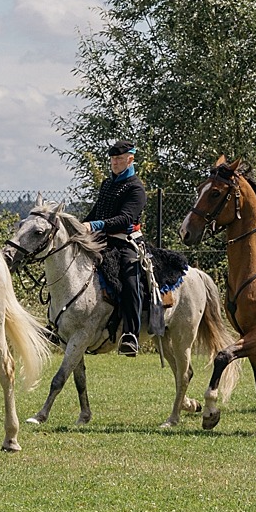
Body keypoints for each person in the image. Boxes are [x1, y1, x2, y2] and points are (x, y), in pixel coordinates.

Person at [85, 140, 148, 356]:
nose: (115, 163)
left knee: (131, 281)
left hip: (126, 242)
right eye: (112, 159)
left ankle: (130, 334)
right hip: (103, 240)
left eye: (119, 159)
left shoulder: (136, 188)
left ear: (130, 159)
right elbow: (96, 212)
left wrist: (95, 225)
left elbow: (125, 219)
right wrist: (77, 227)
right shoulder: (106, 184)